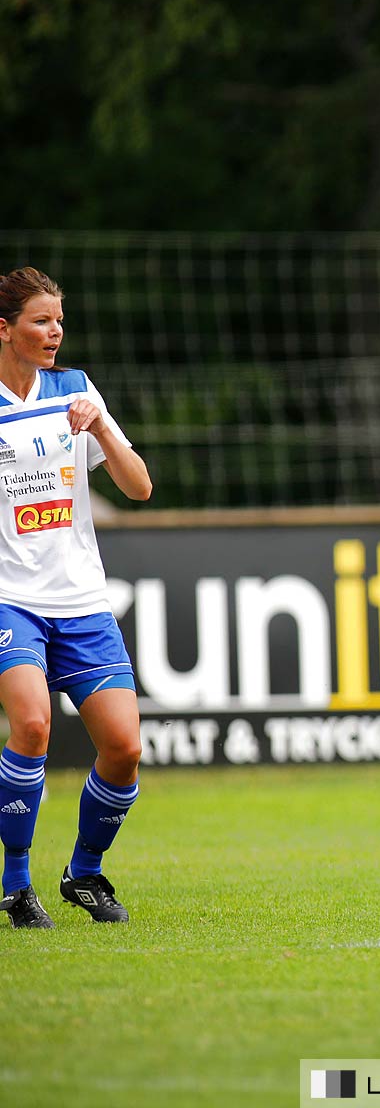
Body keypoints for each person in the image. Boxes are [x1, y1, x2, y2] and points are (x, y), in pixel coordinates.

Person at [0, 267, 153, 928]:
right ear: (4, 329)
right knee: (33, 724)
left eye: (58, 320)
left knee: (124, 747)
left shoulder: (75, 392)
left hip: (81, 600)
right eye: (40, 320)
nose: (54, 331)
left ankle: (84, 875)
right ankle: (15, 882)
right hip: (11, 598)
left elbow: (140, 486)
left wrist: (102, 430)